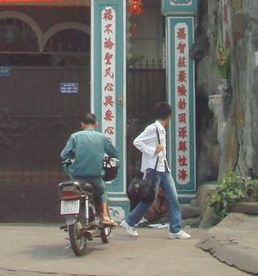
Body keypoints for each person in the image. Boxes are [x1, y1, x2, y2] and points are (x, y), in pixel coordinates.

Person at [122, 102, 191, 239]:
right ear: (169, 116)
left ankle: (175, 230)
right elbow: (137, 141)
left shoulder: (160, 129)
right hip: (154, 169)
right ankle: (129, 221)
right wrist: (153, 151)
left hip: (163, 168)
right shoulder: (153, 128)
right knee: (149, 199)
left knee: (172, 197)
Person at [60, 112, 118, 227]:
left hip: (77, 176)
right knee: (102, 192)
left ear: (82, 124)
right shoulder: (102, 137)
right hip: (95, 176)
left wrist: (74, 155)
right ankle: (105, 216)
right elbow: (115, 153)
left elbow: (64, 155)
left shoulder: (75, 136)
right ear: (96, 124)